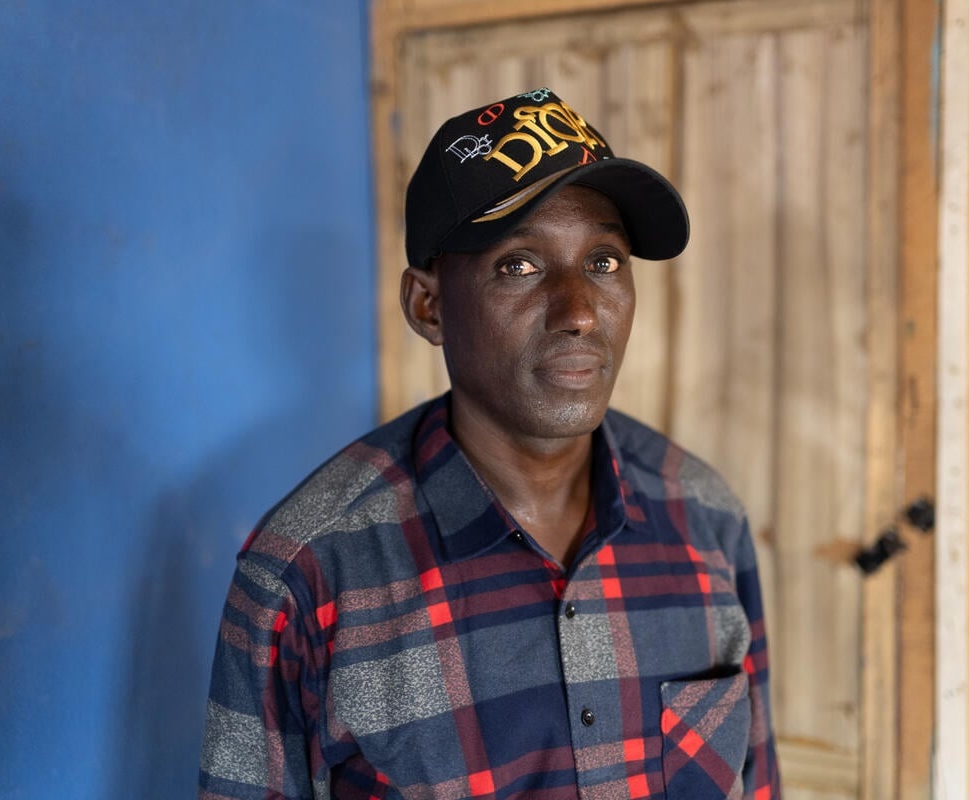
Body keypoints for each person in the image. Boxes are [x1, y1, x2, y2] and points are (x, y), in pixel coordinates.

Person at [199, 88, 780, 800]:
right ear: (429, 305)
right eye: (519, 265)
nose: (580, 314)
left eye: (604, 261)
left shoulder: (705, 517)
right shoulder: (308, 573)